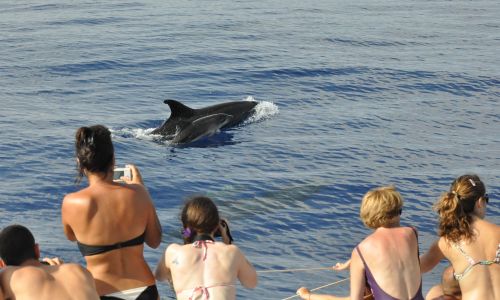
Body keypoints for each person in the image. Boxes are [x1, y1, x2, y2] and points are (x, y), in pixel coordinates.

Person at [61, 125, 162, 299]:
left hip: (103, 291)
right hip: (145, 289)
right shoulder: (138, 193)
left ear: (80, 162)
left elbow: (72, 236)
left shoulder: (71, 203)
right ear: (113, 160)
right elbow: (154, 241)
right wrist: (140, 188)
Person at [296, 186, 424, 300]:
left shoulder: (361, 250)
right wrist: (351, 262)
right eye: (399, 211)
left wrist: (308, 296)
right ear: (394, 215)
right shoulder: (412, 233)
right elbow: (392, 253)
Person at [155, 196, 258, 300]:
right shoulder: (231, 252)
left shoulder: (173, 252)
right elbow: (251, 283)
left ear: (186, 226)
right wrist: (228, 242)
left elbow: (160, 276)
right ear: (217, 225)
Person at [420, 174, 499, 300]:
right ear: (479, 202)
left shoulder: (448, 242)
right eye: (486, 199)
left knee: (437, 291)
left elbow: (417, 267)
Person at [0, 224, 99, 300]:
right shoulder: (79, 270)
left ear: (2, 264)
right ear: (37, 250)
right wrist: (57, 269)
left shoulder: (8, 274)